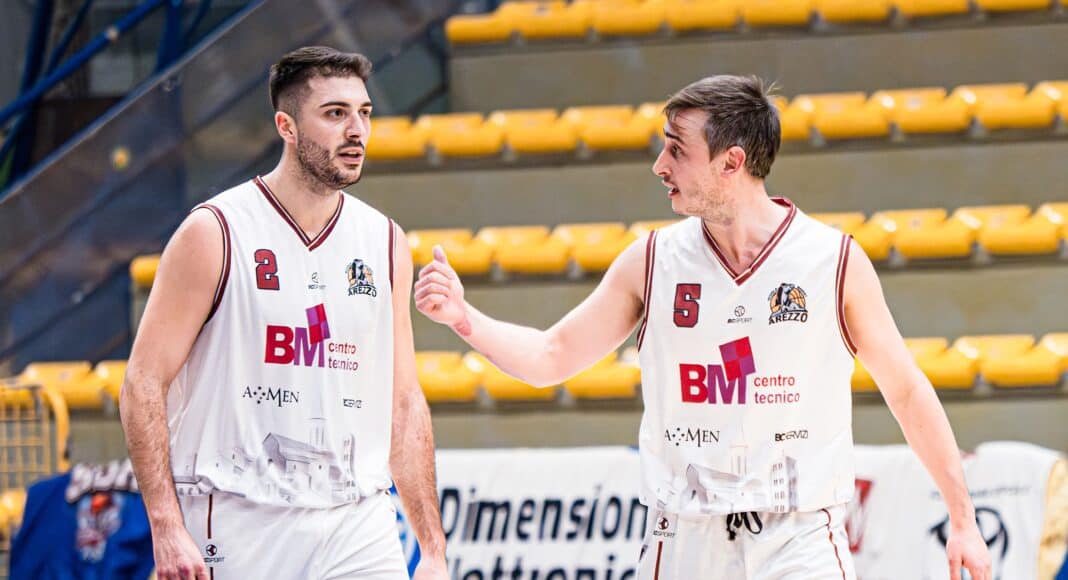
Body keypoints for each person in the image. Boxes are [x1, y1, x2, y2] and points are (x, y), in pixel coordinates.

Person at [415, 75, 992, 580]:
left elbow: (908, 391)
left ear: (731, 162)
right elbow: (550, 356)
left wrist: (962, 519)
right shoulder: (652, 260)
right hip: (684, 538)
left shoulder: (832, 261)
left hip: (799, 536)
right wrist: (466, 320)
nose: (659, 166)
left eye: (675, 150)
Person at [120, 46, 447, 580]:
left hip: (357, 521)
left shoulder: (386, 241)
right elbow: (143, 380)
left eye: (364, 113)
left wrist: (431, 546)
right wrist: (165, 524)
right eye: (335, 113)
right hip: (239, 517)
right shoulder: (215, 231)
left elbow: (405, 402)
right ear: (287, 126)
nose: (357, 131)